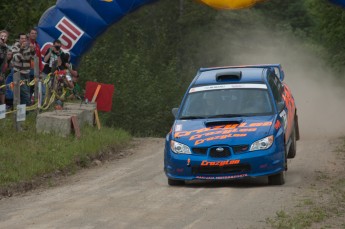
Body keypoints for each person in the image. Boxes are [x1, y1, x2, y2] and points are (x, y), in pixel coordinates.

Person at [12, 33, 35, 106]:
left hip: (27, 72)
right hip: (18, 73)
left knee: (26, 91)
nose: (23, 40)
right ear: (19, 39)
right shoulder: (15, 46)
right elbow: (16, 59)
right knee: (24, 92)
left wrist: (32, 50)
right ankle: (27, 109)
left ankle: (22, 110)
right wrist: (21, 49)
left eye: (25, 38)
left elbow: (31, 58)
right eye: (22, 38)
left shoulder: (28, 46)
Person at [28, 28, 43, 96]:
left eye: (35, 33)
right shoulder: (26, 44)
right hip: (27, 68)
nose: (34, 35)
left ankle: (31, 101)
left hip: (35, 69)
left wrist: (40, 70)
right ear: (29, 34)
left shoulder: (37, 45)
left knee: (33, 86)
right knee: (26, 85)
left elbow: (39, 58)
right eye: (32, 33)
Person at [0, 30, 9, 105]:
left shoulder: (5, 47)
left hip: (2, 72)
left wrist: (2, 73)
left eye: (5, 36)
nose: (3, 38)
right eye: (2, 36)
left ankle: (3, 107)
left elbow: (5, 62)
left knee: (2, 89)